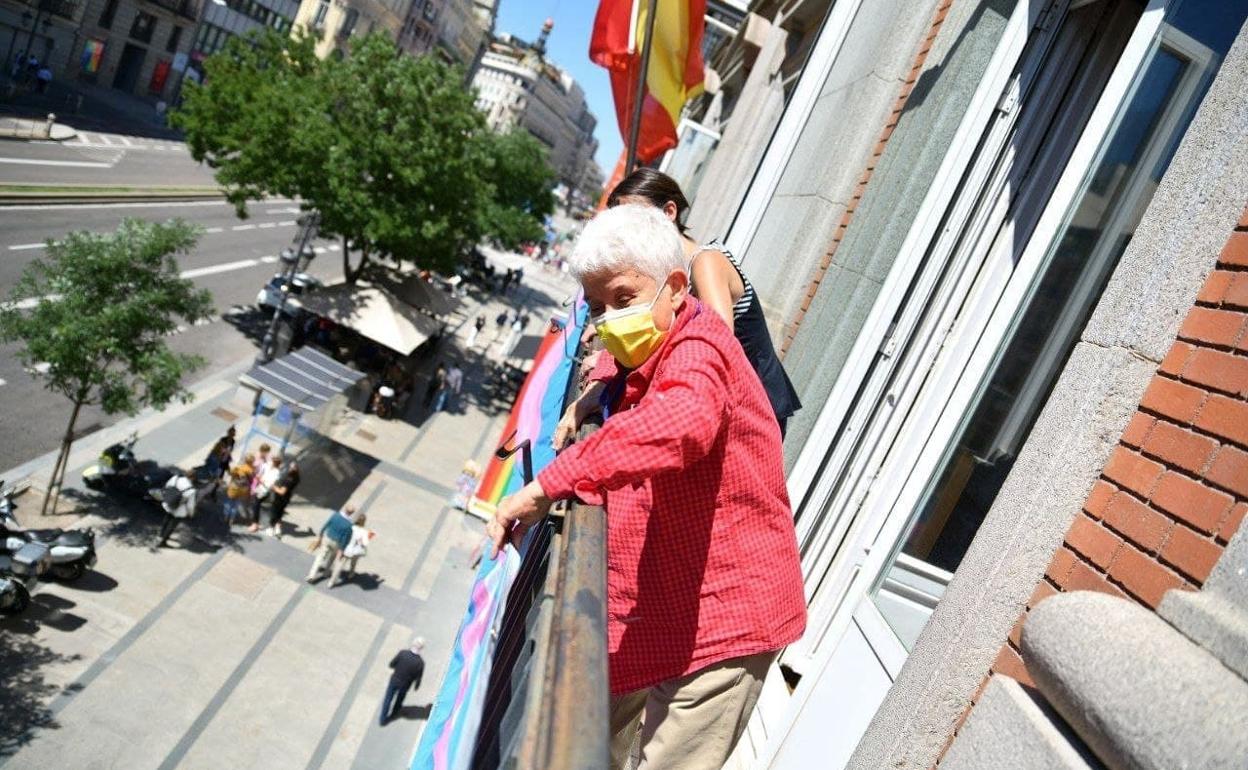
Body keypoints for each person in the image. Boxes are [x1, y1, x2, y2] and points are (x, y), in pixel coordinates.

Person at [488, 204, 806, 770]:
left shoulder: (702, 344)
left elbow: (680, 420)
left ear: (676, 288)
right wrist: (599, 383)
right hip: (672, 600)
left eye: (623, 298)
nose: (608, 320)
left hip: (729, 617)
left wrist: (548, 486)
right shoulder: (660, 334)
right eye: (596, 307)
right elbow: (632, 357)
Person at [560, 168, 801, 439]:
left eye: (634, 220)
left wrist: (607, 360)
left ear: (669, 212)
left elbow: (715, 342)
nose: (625, 231)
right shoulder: (664, 272)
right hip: (722, 402)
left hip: (756, 404)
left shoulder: (705, 262)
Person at [380, 637, 425, 726]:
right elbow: (418, 678)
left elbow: (391, 664)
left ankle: (383, 720)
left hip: (394, 680)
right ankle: (394, 713)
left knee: (388, 700)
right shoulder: (420, 663)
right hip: (405, 684)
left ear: (413, 643)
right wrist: (416, 686)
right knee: (399, 700)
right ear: (422, 648)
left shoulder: (403, 653)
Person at [306, 505, 357, 583]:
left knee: (320, 557)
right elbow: (346, 538)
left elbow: (326, 525)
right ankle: (326, 573)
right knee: (332, 558)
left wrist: (320, 535)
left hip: (328, 538)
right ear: (352, 513)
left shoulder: (335, 515)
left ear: (345, 509)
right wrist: (342, 549)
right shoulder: (349, 525)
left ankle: (311, 576)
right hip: (337, 543)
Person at [157, 472, 197, 547]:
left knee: (167, 518)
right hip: (179, 510)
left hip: (169, 503)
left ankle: (161, 534)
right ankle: (163, 542)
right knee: (172, 525)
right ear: (193, 478)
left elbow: (167, 486)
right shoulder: (191, 490)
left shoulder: (176, 478)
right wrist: (191, 514)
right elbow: (190, 506)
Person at [334, 513, 372, 586]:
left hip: (348, 548)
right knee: (353, 563)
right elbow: (365, 543)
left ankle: (333, 579)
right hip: (356, 550)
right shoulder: (364, 531)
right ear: (364, 522)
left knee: (341, 563)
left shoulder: (351, 527)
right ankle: (351, 574)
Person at [267, 459, 300, 538]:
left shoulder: (288, 480)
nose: (289, 468)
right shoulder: (297, 478)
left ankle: (271, 529)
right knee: (280, 513)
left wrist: (274, 487)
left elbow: (282, 492)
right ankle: (278, 529)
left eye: (291, 467)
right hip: (287, 498)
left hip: (280, 498)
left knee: (274, 513)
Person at [247, 455, 281, 532]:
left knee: (256, 505)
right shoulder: (268, 467)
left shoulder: (276, 472)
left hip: (264, 490)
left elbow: (270, 484)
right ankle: (256, 522)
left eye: (272, 461)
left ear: (274, 463)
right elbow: (263, 466)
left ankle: (255, 524)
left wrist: (261, 480)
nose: (270, 462)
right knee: (256, 505)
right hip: (260, 488)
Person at [204, 427, 235, 500]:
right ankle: (205, 492)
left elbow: (230, 451)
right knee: (212, 477)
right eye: (231, 433)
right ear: (228, 433)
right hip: (218, 461)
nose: (233, 434)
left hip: (224, 462)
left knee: (220, 478)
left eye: (233, 433)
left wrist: (229, 456)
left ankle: (213, 493)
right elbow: (218, 449)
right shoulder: (223, 439)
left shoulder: (233, 441)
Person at [223, 453, 255, 523]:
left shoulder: (239, 468)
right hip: (243, 490)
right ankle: (232, 519)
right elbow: (252, 481)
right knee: (236, 504)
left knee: (229, 502)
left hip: (234, 488)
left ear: (245, 460)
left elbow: (230, 473)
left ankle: (226, 517)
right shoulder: (252, 470)